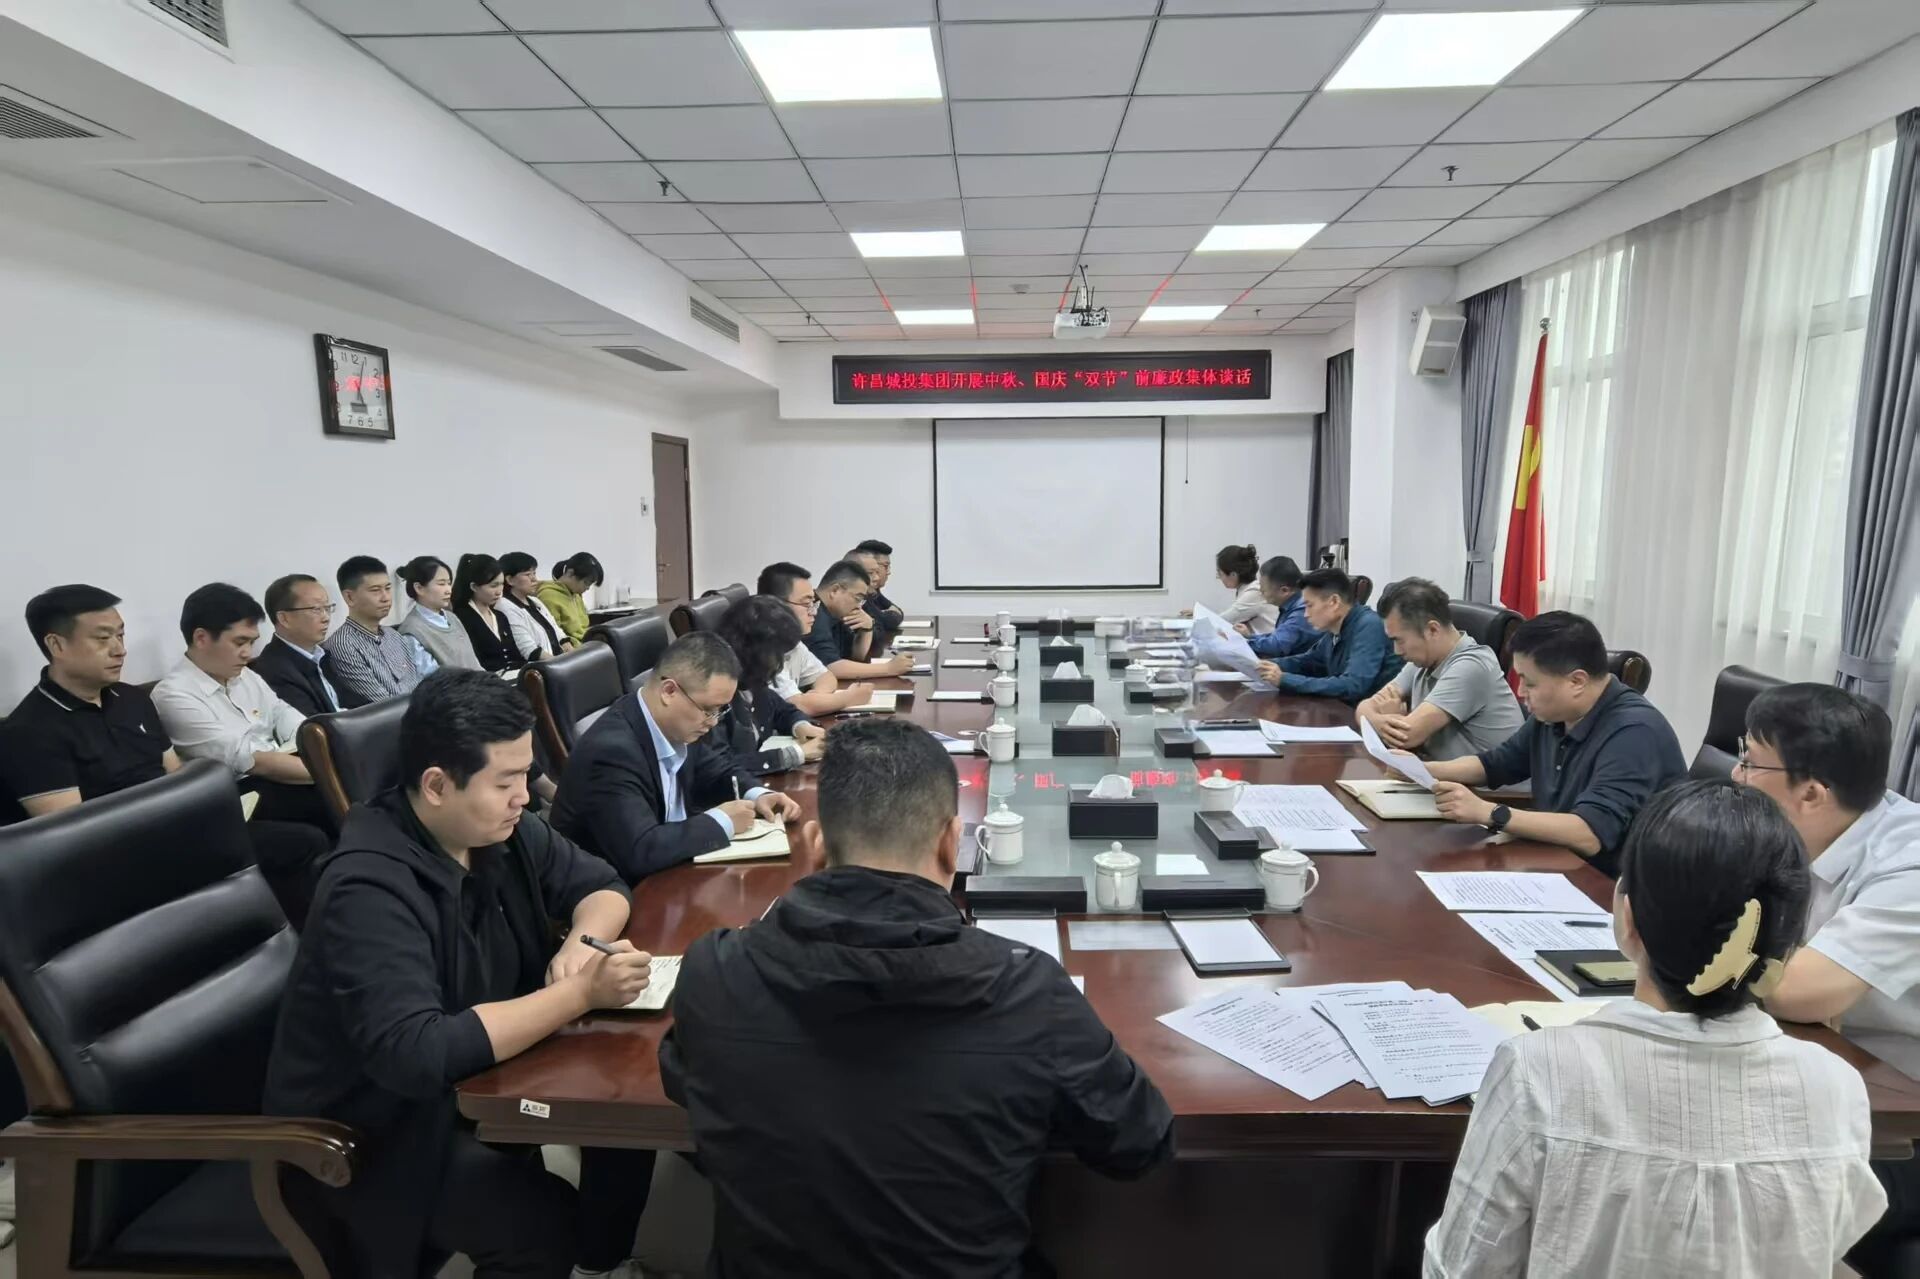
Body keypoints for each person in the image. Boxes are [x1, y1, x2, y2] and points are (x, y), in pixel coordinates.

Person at [660, 717, 1174, 1277]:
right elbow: (1138, 1141)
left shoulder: (714, 971)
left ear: (814, 844)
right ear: (953, 843)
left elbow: (684, 1078)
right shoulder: (1027, 989)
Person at [264, 670, 659, 1279]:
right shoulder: (366, 887)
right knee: (540, 1226)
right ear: (436, 785)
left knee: (620, 1122)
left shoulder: (500, 830)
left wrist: (582, 945)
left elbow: (603, 885)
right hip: (375, 1133)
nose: (525, 796)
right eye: (505, 782)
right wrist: (580, 993)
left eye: (525, 775)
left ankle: (602, 1265)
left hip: (473, 1081)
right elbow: (416, 1051)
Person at [1424, 780, 1884, 1277]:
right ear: (1787, 944)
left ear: (1627, 918)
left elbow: (1464, 1266)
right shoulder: (1836, 1087)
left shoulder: (1537, 1074)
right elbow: (1828, 1241)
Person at [1734, 686, 1920, 1273]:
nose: (1736, 776)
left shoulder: (1908, 863)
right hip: (1828, 1076)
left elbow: (1799, 992)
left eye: (1749, 762)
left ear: (1812, 792)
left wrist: (1703, 943)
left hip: (1900, 1121)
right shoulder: (1797, 827)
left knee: (1723, 1194)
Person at [1424, 611, 1686, 877]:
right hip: (1557, 863)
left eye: (1530, 683)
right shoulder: (1554, 715)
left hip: (1611, 885)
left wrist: (1490, 812)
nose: (1520, 692)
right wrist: (1423, 770)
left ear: (1577, 681)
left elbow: (1589, 834)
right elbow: (1496, 764)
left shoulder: (1634, 733)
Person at [549, 633, 801, 883]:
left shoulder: (678, 724)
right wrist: (723, 821)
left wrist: (758, 795)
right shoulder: (611, 753)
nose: (713, 722)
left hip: (674, 870)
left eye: (719, 711)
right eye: (708, 710)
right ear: (669, 691)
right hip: (620, 890)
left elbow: (718, 771)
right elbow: (640, 850)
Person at [0, 584, 179, 821]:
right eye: (103, 638)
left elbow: (177, 776)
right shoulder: (28, 732)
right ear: (57, 645)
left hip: (179, 821)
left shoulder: (133, 699)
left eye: (120, 635)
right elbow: (75, 831)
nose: (120, 650)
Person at [152, 583, 324, 826]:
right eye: (239, 642)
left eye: (251, 642)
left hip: (286, 771)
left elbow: (283, 714)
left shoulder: (246, 676)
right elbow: (250, 760)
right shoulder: (173, 695)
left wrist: (318, 747)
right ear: (201, 638)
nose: (248, 653)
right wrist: (329, 770)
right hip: (241, 795)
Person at [1358, 578, 1521, 759]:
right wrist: (1382, 721)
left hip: (1485, 778)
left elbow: (1406, 736)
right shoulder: (1421, 661)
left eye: (1399, 640)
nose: (1397, 651)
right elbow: (1363, 709)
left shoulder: (1471, 666)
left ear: (1432, 630)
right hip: (1436, 771)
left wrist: (1384, 718)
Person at [715, 595, 827, 774]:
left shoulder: (754, 682)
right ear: (752, 650)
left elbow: (783, 710)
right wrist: (796, 754)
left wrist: (800, 726)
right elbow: (718, 766)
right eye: (777, 654)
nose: (780, 665)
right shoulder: (716, 697)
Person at [1253, 568, 1401, 702]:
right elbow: (1309, 661)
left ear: (1334, 602)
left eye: (1309, 605)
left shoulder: (1369, 626)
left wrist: (1285, 679)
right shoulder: (1335, 629)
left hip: (1371, 716)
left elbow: (1353, 685)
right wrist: (1262, 665)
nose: (1305, 614)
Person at [755, 562, 871, 716]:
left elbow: (826, 676)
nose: (814, 612)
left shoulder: (793, 641)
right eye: (806, 604)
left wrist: (816, 697)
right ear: (775, 606)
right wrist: (849, 698)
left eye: (813, 603)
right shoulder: (759, 647)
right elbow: (798, 706)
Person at [324, 556, 436, 707]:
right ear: (350, 597)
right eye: (375, 590)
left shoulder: (394, 635)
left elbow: (418, 684)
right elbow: (383, 705)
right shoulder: (343, 645)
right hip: (396, 719)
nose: (386, 598)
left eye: (388, 588)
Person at [804, 560, 914, 681]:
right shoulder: (812, 614)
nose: (858, 606)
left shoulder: (834, 611)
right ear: (835, 590)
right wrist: (888, 668)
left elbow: (856, 657)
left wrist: (866, 629)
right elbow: (831, 667)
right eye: (858, 598)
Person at [252, 574, 343, 717]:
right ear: (284, 619)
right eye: (316, 609)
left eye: (327, 608)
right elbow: (312, 725)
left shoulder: (324, 655)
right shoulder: (273, 671)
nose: (326, 617)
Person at [397, 556, 483, 672]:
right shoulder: (412, 632)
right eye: (441, 584)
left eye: (449, 583)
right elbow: (432, 677)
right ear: (419, 588)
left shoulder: (452, 618)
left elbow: (474, 663)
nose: (448, 590)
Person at [454, 554, 529, 674]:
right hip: (487, 679)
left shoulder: (500, 616)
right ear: (474, 587)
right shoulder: (461, 617)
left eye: (501, 584)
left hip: (514, 675)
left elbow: (516, 655)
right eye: (493, 586)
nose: (499, 592)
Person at [497, 551, 570, 660]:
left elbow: (556, 630)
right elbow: (529, 650)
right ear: (510, 580)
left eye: (534, 573)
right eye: (527, 574)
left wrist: (572, 655)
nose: (534, 579)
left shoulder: (535, 601)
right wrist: (559, 664)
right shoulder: (504, 606)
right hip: (539, 666)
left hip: (557, 660)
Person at [1245, 556, 1317, 660]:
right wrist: (1249, 637)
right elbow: (1277, 636)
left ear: (1284, 591)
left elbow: (1277, 645)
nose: (1260, 592)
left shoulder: (1302, 610)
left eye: (1264, 590)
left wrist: (1243, 643)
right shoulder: (1292, 604)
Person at [538, 552, 604, 647]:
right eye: (586, 583)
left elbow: (583, 628)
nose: (588, 588)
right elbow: (554, 636)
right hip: (573, 649)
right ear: (570, 573)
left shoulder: (575, 594)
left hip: (586, 644)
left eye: (590, 584)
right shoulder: (548, 596)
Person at [849, 539, 904, 649]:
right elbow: (883, 623)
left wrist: (884, 617)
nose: (889, 572)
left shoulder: (873, 590)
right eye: (885, 566)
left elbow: (898, 613)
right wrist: (885, 616)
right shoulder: (858, 594)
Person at [1215, 544, 1278, 635]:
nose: (1218, 577)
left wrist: (1199, 615)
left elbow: (1223, 620)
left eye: (1220, 573)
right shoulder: (1249, 588)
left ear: (1233, 574)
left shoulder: (1255, 592)